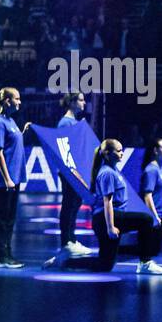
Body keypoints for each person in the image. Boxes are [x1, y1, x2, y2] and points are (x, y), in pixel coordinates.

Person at [53, 139, 162, 275]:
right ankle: (145, 262)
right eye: (118, 151)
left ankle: (63, 262)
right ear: (107, 154)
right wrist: (110, 227)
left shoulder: (113, 170)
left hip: (111, 217)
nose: (122, 153)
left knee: (105, 264)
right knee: (146, 220)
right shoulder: (107, 173)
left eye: (122, 150)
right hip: (106, 219)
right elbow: (108, 203)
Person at [0, 86, 30, 269]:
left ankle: (8, 254)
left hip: (14, 179)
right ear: (7, 101)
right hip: (5, 180)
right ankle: (1, 258)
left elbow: (13, 143)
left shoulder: (11, 121)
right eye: (17, 99)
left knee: (10, 219)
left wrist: (24, 132)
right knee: (2, 219)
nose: (20, 102)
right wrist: (7, 179)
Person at [56, 91, 93, 257]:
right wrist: (72, 171)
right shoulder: (65, 123)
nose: (84, 103)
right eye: (81, 100)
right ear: (72, 103)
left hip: (78, 171)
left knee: (75, 205)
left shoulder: (76, 123)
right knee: (69, 205)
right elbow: (64, 149)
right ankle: (66, 242)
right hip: (70, 172)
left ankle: (72, 239)